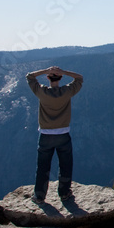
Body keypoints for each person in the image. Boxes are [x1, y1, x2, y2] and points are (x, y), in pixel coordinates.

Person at [25, 66, 83, 203]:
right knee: (65, 165)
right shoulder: (66, 92)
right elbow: (79, 78)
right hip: (63, 135)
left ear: (48, 78)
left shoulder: (42, 92)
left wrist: (45, 71)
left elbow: (29, 77)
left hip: (45, 135)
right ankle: (64, 193)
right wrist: (64, 71)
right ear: (61, 78)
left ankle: (39, 196)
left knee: (43, 166)